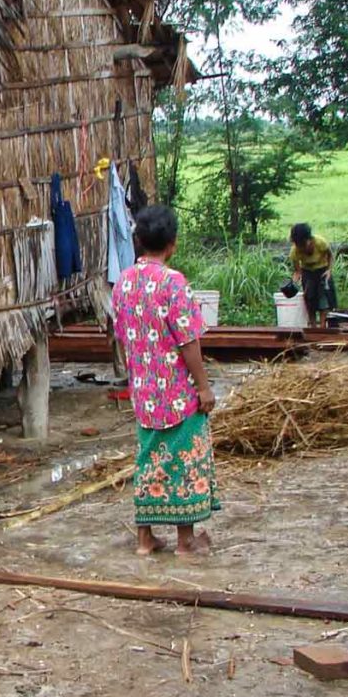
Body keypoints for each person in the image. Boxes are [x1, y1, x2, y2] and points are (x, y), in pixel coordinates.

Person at [111, 205, 219, 558]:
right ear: (172, 244)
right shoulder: (174, 283)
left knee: (149, 459)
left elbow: (122, 337)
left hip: (144, 393)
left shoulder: (123, 282)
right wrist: (203, 386)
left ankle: (145, 538)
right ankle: (185, 542)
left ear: (138, 241)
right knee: (185, 460)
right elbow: (189, 340)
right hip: (177, 393)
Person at [288, 222, 336, 326]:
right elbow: (297, 271)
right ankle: (313, 326)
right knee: (310, 299)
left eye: (303, 245)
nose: (302, 248)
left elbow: (330, 256)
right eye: (298, 245)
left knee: (324, 301)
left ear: (309, 240)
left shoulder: (320, 243)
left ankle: (323, 327)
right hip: (308, 272)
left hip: (322, 270)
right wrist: (294, 281)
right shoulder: (294, 252)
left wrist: (329, 270)